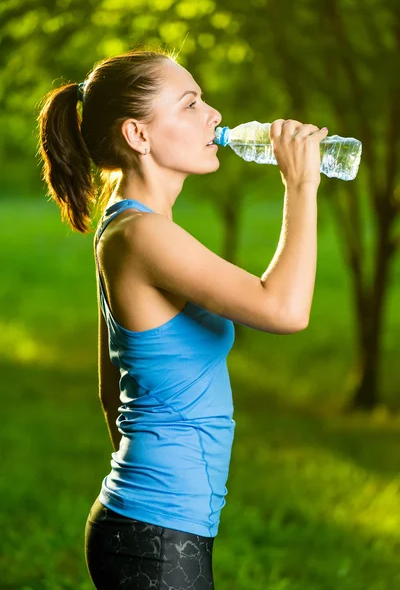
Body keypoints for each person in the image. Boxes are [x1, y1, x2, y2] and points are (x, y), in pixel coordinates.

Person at [36, 45, 328, 589]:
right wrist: (301, 183)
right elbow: (285, 310)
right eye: (190, 103)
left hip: (155, 526)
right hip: (155, 534)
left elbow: (112, 388)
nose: (214, 114)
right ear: (138, 136)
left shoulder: (128, 226)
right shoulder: (143, 235)